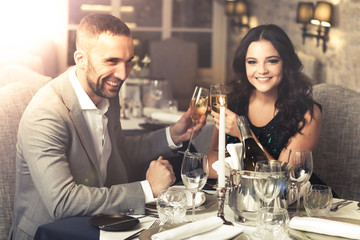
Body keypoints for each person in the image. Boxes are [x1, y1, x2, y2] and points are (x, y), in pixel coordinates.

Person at [9, 14, 206, 240]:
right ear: (80, 59)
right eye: (112, 61)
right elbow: (63, 202)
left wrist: (172, 135)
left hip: (100, 224)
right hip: (52, 231)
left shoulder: (106, 92)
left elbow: (117, 150)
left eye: (128, 61)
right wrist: (147, 189)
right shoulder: (47, 114)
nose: (123, 74)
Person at [208, 24, 322, 178]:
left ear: (285, 63)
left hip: (290, 199)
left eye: (272, 61)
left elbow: (280, 177)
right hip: (241, 195)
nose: (261, 70)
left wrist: (244, 133)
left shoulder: (306, 113)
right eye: (252, 62)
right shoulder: (232, 102)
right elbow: (212, 160)